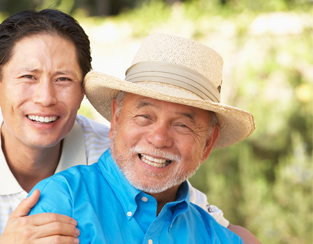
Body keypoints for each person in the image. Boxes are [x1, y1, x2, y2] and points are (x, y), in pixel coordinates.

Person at [0, 9, 257, 244]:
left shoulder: (132, 153)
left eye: (63, 79)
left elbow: (195, 218)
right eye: (28, 77)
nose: (44, 98)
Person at [28, 34, 261, 243]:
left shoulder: (216, 237)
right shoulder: (60, 203)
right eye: (144, 116)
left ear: (208, 143)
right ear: (116, 119)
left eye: (182, 125)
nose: (159, 139)